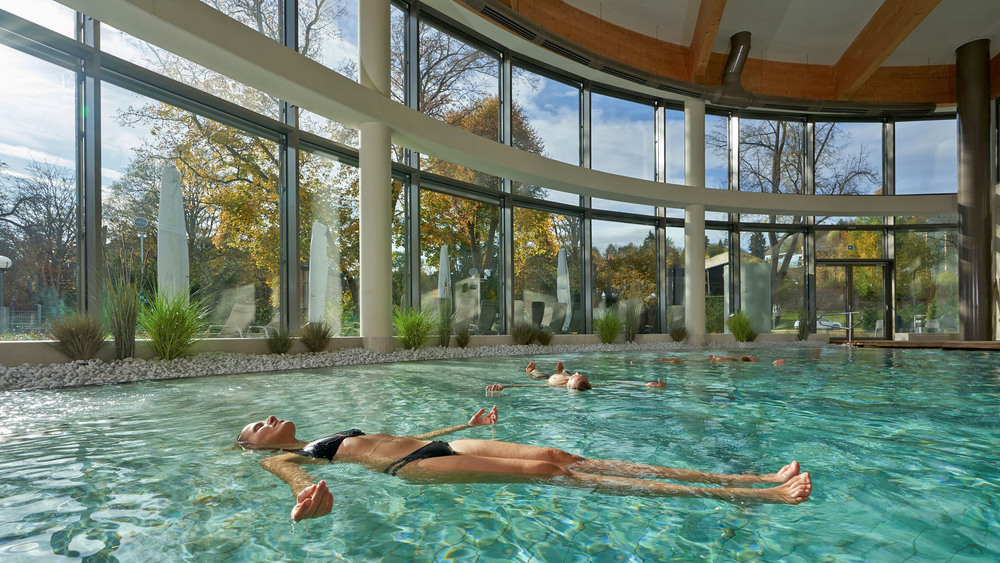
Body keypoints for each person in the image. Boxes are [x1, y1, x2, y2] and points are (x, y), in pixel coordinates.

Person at [236, 407, 812, 521]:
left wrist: (464, 427)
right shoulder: (286, 456)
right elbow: (297, 478)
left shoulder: (328, 433)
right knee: (551, 475)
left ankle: (754, 476)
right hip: (412, 468)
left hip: (438, 446)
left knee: (562, 456)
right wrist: (306, 499)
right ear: (257, 446)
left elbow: (406, 432)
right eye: (254, 428)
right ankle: (760, 497)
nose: (266, 421)